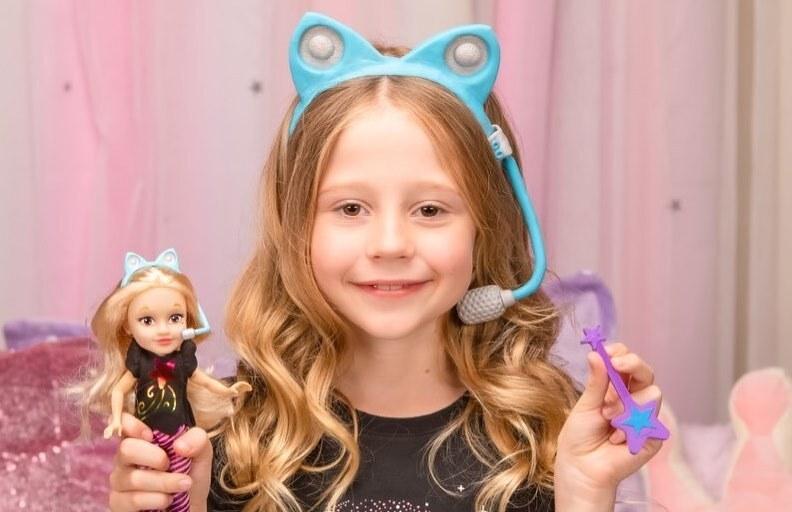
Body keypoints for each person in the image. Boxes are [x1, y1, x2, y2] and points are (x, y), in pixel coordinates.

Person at [106, 13, 664, 512]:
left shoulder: (548, 434)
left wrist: (583, 497)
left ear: (486, 225)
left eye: (430, 209)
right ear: (295, 228)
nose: (391, 244)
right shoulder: (223, 438)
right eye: (350, 208)